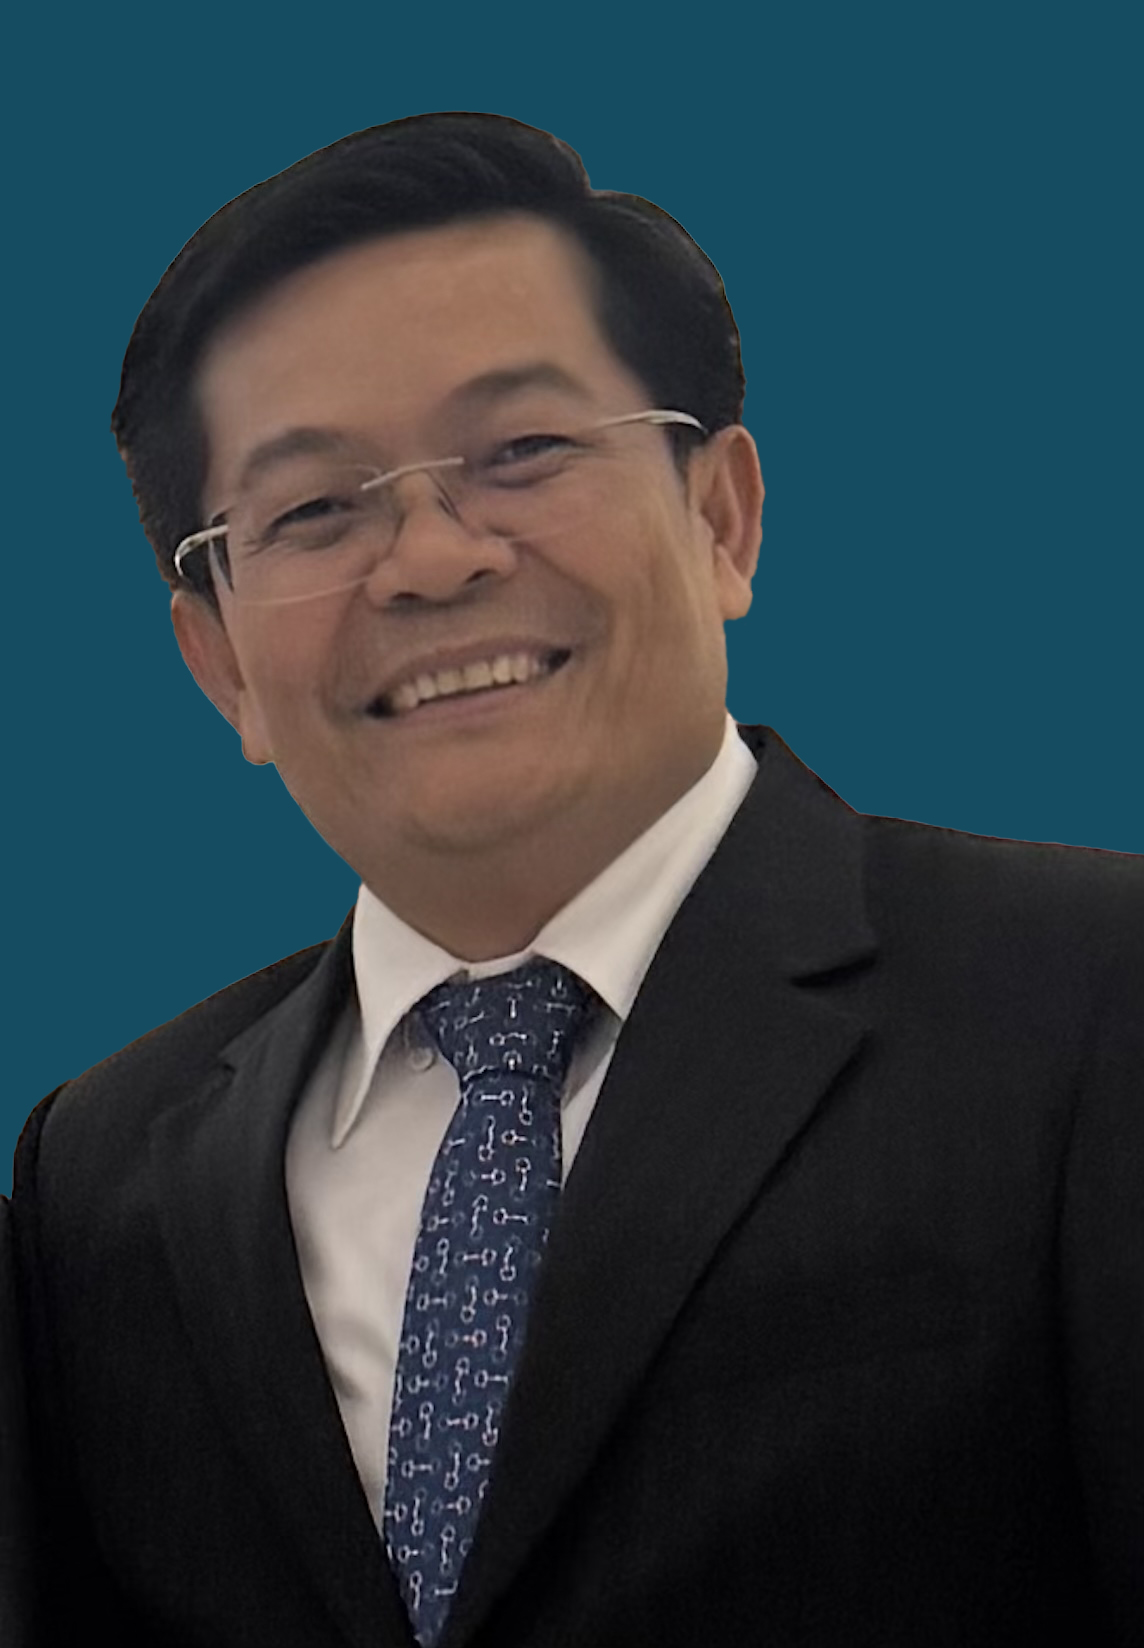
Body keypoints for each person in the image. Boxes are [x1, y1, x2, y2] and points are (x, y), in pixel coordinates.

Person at [8, 111, 1142, 1648]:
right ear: (220, 664)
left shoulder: (1091, 999)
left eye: (522, 453)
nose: (431, 559)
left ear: (720, 517)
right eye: (316, 508)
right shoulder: (102, 1174)